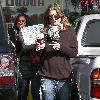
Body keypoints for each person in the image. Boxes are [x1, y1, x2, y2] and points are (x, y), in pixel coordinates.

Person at [36, 3, 78, 100]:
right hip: (46, 76)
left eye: (56, 16)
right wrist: (39, 48)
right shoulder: (44, 32)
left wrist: (61, 47)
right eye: (51, 17)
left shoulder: (69, 31)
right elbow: (39, 54)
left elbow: (74, 52)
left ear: (61, 16)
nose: (54, 19)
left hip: (64, 78)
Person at [8, 13, 40, 100]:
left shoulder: (32, 33)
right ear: (16, 23)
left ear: (26, 23)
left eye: (23, 21)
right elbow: (14, 53)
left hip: (34, 66)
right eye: (19, 21)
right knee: (22, 92)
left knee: (35, 92)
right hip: (22, 67)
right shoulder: (13, 35)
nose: (21, 23)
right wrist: (17, 42)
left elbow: (38, 50)